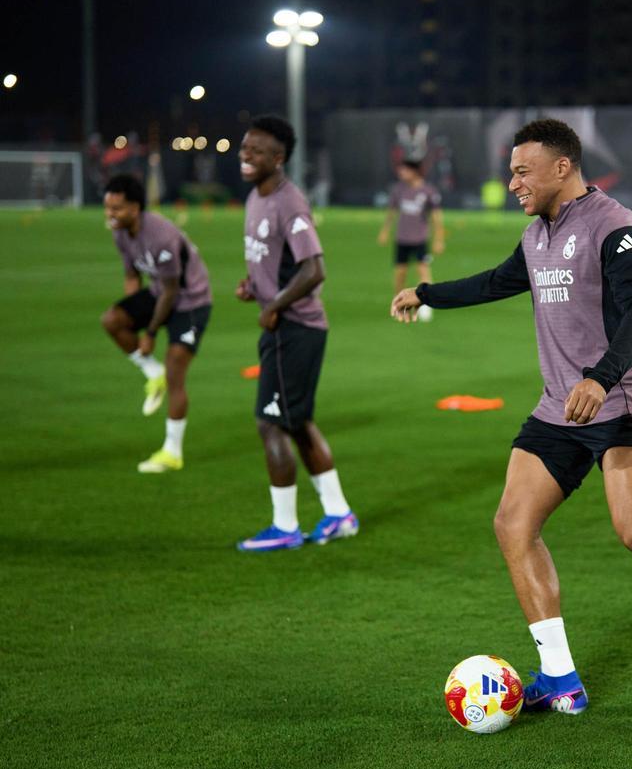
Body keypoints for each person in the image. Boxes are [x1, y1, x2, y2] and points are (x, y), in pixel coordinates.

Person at [391, 119, 632, 710]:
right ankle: (559, 676)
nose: (512, 183)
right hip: (559, 407)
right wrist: (426, 293)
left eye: (522, 171)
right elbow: (496, 282)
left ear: (563, 167)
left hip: (623, 399)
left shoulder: (615, 226)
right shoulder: (536, 236)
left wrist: (601, 376)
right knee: (512, 523)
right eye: (511, 172)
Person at [235, 115, 358, 552]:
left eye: (256, 151)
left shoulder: (289, 202)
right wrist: (257, 288)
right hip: (285, 325)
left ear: (279, 158)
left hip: (296, 330)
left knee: (270, 424)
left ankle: (285, 526)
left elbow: (314, 268)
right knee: (297, 422)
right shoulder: (256, 196)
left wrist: (276, 304)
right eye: (244, 147)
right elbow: (280, 263)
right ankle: (339, 513)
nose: (245, 156)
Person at [99, 173, 212, 473]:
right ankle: (152, 372)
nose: (110, 215)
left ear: (136, 207)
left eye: (117, 209)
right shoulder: (120, 232)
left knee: (176, 371)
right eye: (107, 208)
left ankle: (172, 452)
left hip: (191, 302)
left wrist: (149, 333)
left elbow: (173, 289)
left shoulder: (161, 236)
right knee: (112, 320)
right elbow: (132, 275)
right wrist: (133, 312)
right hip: (159, 293)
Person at [377, 158, 445, 318]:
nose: (401, 173)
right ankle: (399, 303)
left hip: (420, 239)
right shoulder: (398, 190)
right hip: (402, 239)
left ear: (414, 172)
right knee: (400, 273)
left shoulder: (428, 191)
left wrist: (438, 238)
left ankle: (427, 303)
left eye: (405, 170)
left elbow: (436, 217)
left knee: (423, 269)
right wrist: (385, 231)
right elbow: (392, 212)